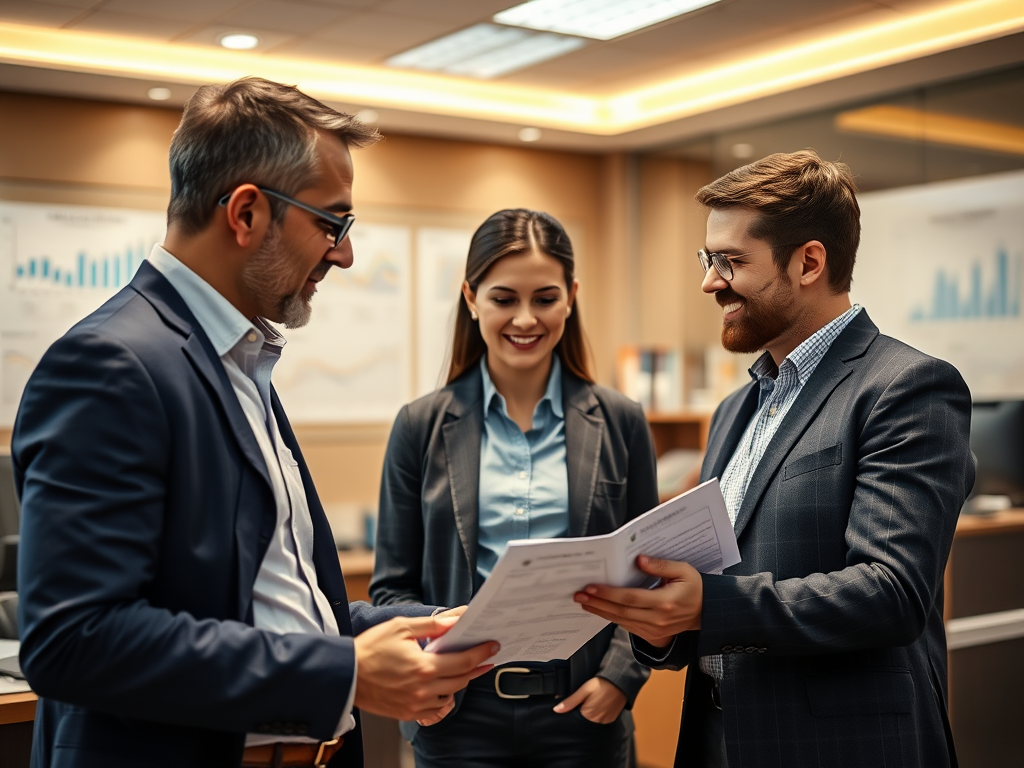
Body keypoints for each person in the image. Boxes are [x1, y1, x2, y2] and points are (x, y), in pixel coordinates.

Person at [12, 77, 497, 768]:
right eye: (333, 223)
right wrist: (345, 673)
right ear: (245, 213)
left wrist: (403, 631)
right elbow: (75, 639)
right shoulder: (110, 364)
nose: (344, 254)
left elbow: (267, 605)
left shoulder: (235, 358)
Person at [574, 150, 974, 768]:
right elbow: (714, 588)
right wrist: (661, 627)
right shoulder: (736, 409)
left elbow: (893, 591)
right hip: (716, 739)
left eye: (731, 262)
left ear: (809, 262)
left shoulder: (907, 387)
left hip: (842, 746)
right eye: (707, 260)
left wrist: (710, 604)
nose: (709, 282)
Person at [370, 208, 659, 767]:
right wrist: (428, 681)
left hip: (584, 713)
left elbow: (649, 570)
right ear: (471, 297)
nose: (525, 319)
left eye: (545, 298)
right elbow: (391, 589)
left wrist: (621, 678)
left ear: (571, 297)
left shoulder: (622, 421)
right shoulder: (419, 426)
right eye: (504, 299)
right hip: (458, 714)